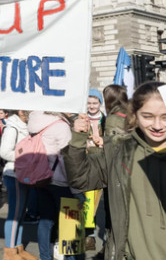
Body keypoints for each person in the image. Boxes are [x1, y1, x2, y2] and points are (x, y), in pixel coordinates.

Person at [63, 81, 166, 260]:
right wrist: (79, 137)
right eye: (148, 116)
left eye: (165, 117)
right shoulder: (119, 150)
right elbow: (80, 178)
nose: (157, 125)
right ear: (134, 115)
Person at [28, 111, 84, 260]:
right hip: (61, 181)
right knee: (70, 223)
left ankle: (45, 257)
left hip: (42, 178)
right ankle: (70, 258)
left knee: (45, 221)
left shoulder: (35, 121)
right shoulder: (60, 126)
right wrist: (77, 189)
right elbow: (68, 160)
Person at [0, 110, 37, 260]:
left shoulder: (26, 125)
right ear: (20, 110)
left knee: (20, 212)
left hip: (24, 173)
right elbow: (5, 152)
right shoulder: (12, 126)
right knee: (15, 214)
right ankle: (9, 251)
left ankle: (18, 247)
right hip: (14, 173)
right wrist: (27, 156)